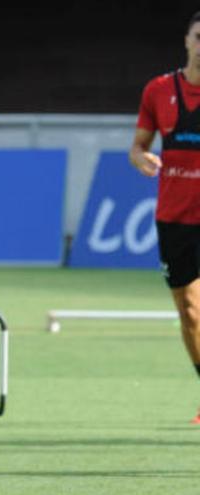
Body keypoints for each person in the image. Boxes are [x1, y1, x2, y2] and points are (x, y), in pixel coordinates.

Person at [130, 11, 200, 423]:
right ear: (188, 40)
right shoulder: (158, 90)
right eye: (199, 36)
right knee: (189, 311)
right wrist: (141, 159)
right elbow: (137, 146)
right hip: (174, 218)